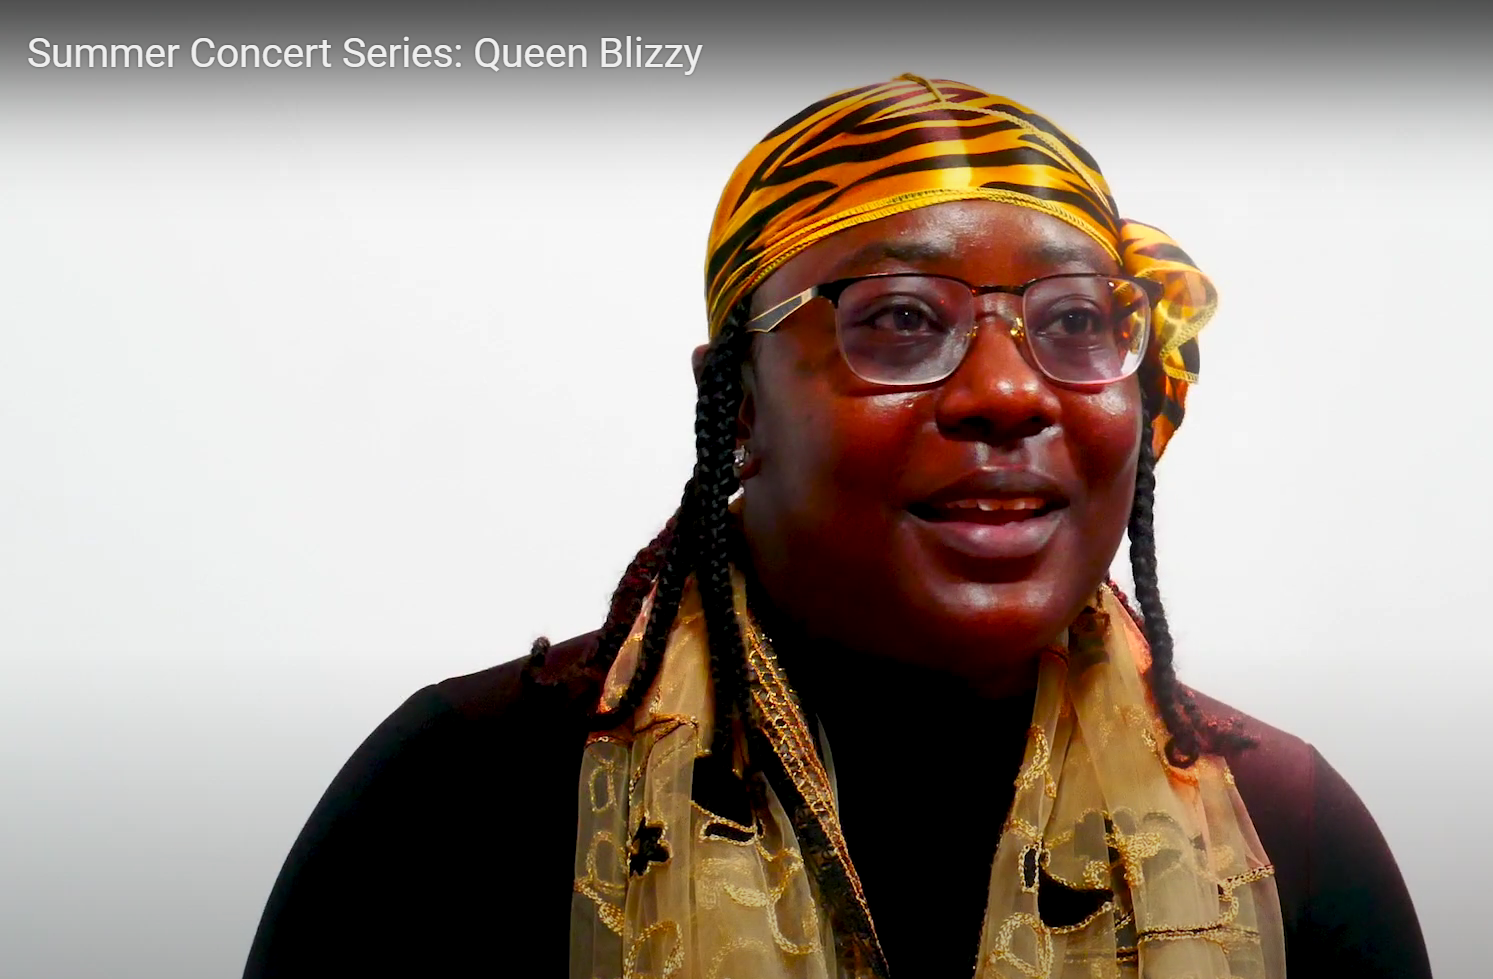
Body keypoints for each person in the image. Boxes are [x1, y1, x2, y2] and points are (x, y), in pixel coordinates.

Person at [243, 75, 1432, 978]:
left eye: (1074, 321)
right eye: (903, 319)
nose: (1009, 392)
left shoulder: (1288, 836)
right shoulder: (467, 798)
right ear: (741, 402)